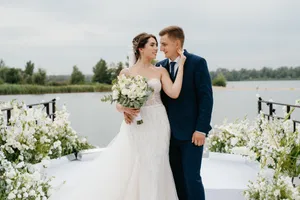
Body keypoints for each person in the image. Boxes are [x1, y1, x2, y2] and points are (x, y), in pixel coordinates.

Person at [49, 32, 185, 200]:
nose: (156, 48)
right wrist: (126, 110)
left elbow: (174, 92)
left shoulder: (161, 70)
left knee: (158, 161)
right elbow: (118, 104)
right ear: (141, 49)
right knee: (141, 161)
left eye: (157, 45)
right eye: (152, 45)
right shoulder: (126, 72)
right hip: (137, 122)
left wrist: (182, 66)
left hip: (159, 121)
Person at [156, 26, 214, 200]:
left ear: (177, 43)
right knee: (176, 179)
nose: (161, 48)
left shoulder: (197, 63)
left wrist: (201, 129)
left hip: (192, 135)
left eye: (164, 44)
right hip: (167, 134)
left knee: (192, 178)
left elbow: (206, 99)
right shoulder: (160, 66)